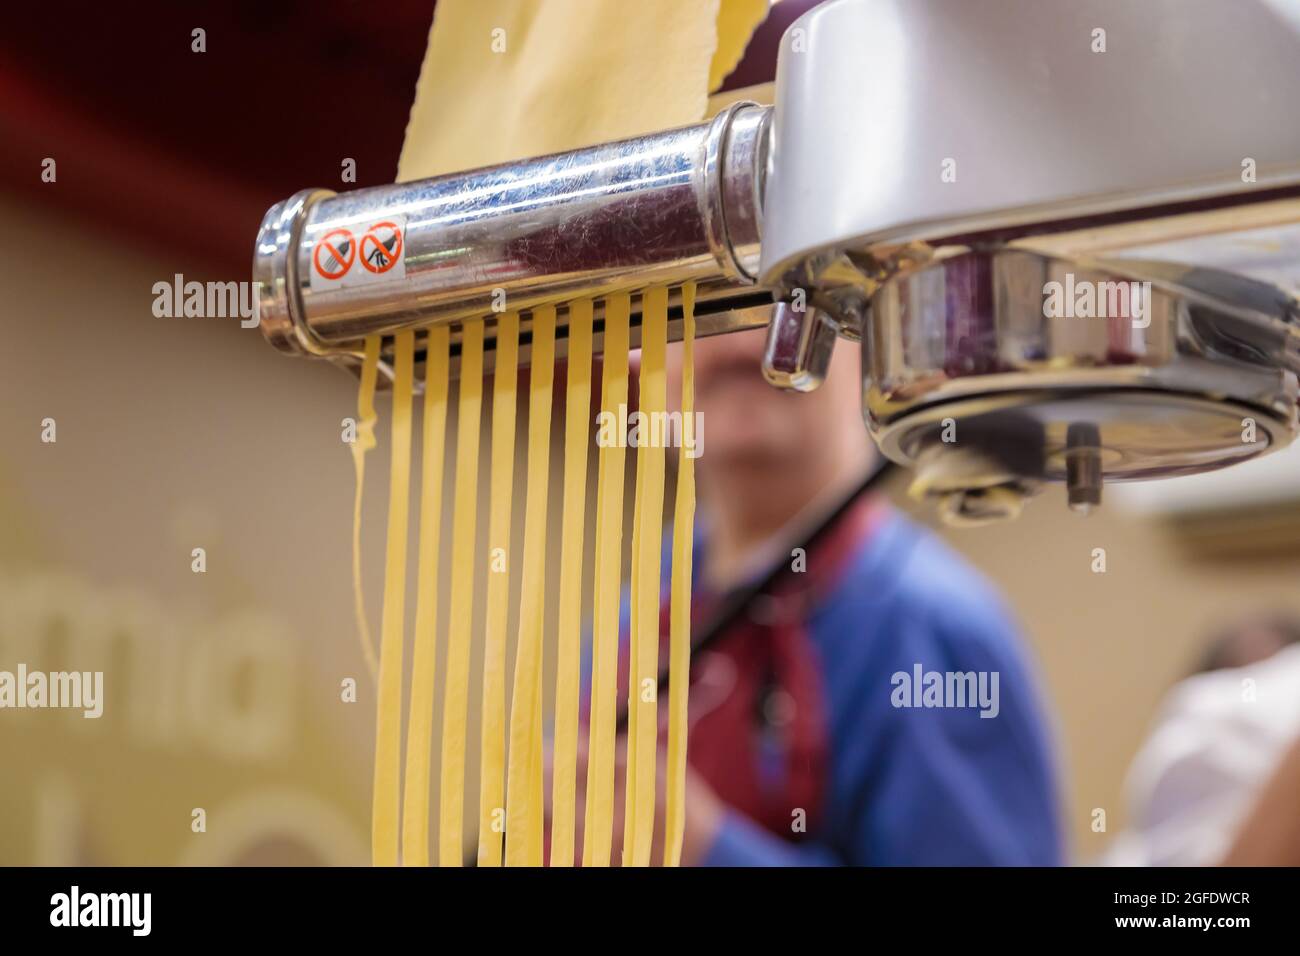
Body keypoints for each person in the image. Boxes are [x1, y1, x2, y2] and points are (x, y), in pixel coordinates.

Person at [568, 323, 1063, 866]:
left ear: (871, 348)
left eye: (785, 304)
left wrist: (709, 851)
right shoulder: (637, 613)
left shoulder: (934, 631)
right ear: (640, 357)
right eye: (700, 313)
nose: (737, 342)